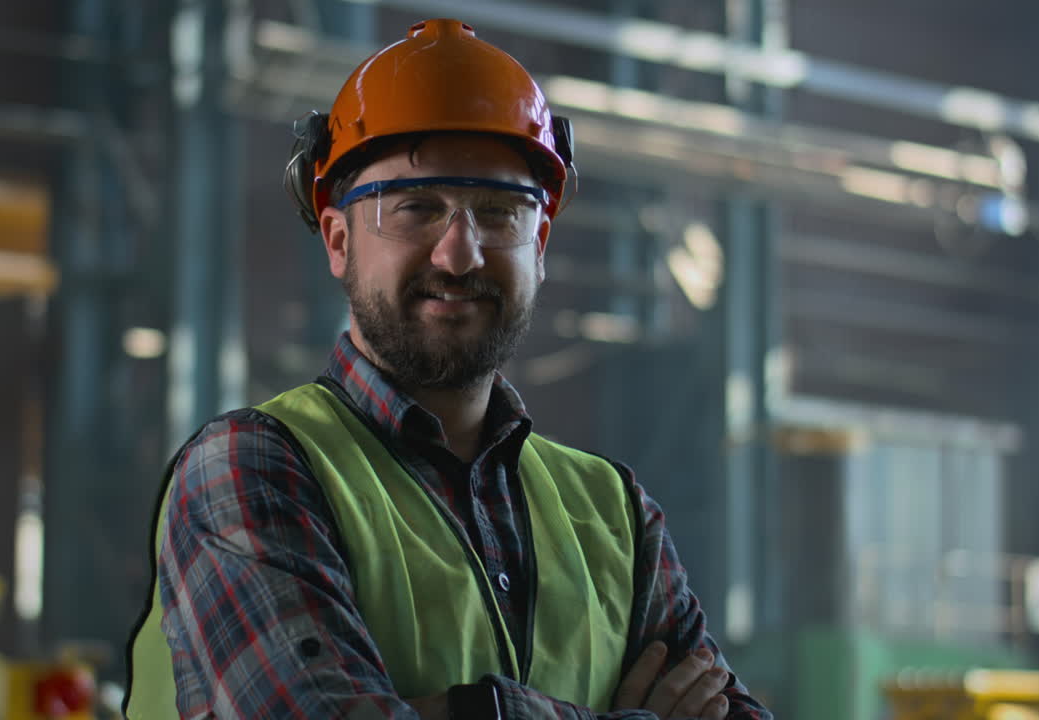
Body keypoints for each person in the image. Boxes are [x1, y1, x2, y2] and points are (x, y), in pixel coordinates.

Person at [126, 18, 773, 720]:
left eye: (499, 213)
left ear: (541, 244)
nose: (459, 255)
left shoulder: (614, 515)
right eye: (415, 209)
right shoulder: (246, 468)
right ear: (338, 241)